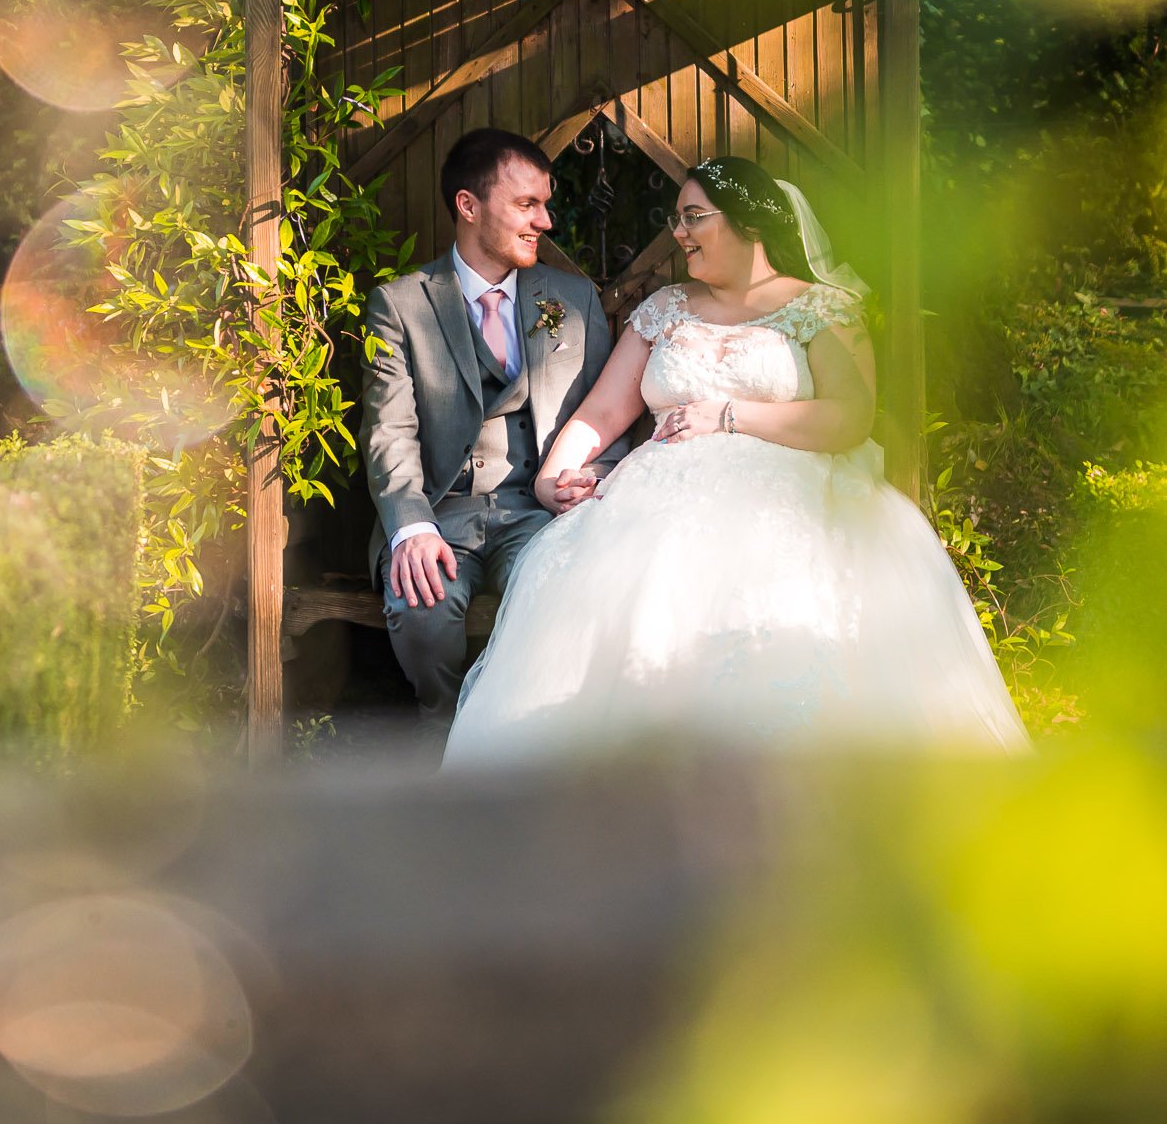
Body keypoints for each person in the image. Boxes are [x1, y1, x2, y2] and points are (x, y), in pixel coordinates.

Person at [444, 156, 1029, 764]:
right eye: (676, 219)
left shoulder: (820, 308)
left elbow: (849, 416)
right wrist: (548, 478)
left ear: (750, 224)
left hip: (794, 506)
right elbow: (604, 413)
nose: (680, 232)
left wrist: (727, 414)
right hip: (653, 508)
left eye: (694, 217)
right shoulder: (667, 307)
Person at [359, 127, 629, 747]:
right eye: (527, 204)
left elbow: (606, 421)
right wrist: (410, 527)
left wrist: (587, 482)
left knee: (563, 595)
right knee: (422, 609)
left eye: (546, 203)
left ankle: (532, 745)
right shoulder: (401, 305)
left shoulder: (572, 298)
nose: (546, 222)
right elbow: (389, 430)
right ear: (468, 205)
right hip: (440, 511)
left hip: (540, 512)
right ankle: (446, 737)